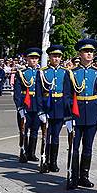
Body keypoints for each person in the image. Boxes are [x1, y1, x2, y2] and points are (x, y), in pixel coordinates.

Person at [65, 38, 97, 189]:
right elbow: (67, 96)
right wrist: (68, 117)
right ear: (79, 54)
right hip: (76, 114)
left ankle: (84, 175)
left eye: (91, 52)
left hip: (92, 112)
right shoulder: (71, 73)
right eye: (86, 51)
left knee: (88, 146)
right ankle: (73, 176)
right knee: (74, 146)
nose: (89, 54)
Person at [36, 45, 70, 173]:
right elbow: (38, 93)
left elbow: (67, 92)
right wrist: (40, 110)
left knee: (55, 135)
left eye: (58, 56)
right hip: (47, 106)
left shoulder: (65, 72)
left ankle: (53, 162)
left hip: (60, 106)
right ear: (49, 57)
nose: (56, 58)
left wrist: (68, 112)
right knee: (46, 135)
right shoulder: (43, 72)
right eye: (54, 56)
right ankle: (44, 161)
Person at [13, 48, 42, 163]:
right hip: (25, 104)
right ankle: (23, 152)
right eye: (31, 58)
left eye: (36, 58)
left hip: (37, 105)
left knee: (35, 130)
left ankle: (32, 153)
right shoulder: (21, 73)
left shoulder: (41, 73)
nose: (34, 60)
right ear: (27, 59)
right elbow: (17, 92)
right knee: (23, 130)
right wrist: (19, 106)